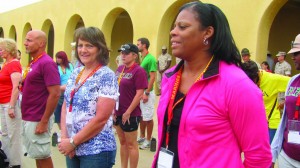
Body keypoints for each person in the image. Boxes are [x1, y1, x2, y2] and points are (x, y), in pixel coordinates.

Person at [152, 2, 272, 167]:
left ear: (207, 33)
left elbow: (259, 157)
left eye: (182, 27)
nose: (173, 32)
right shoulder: (170, 77)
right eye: (174, 27)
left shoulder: (237, 85)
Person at [58, 27, 118, 168]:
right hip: (73, 146)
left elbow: (101, 118)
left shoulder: (106, 75)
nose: (83, 50)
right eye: (80, 45)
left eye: (89, 46)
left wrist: (73, 142)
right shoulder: (77, 72)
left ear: (100, 48)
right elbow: (66, 104)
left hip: (96, 150)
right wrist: (65, 138)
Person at [21, 30, 60, 168]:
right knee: (37, 155)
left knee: (43, 156)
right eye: (26, 40)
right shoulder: (34, 62)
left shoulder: (47, 63)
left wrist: (43, 121)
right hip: (29, 116)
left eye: (29, 40)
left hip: (38, 117)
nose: (25, 43)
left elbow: (55, 93)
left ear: (41, 43)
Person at [114, 43, 148, 168]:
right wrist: (113, 109)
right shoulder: (119, 69)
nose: (123, 55)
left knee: (131, 144)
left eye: (126, 53)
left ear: (134, 55)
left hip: (130, 114)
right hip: (118, 112)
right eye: (122, 53)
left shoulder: (139, 71)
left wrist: (128, 111)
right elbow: (114, 90)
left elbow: (139, 93)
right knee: (122, 143)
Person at [242, 60, 290, 143]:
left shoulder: (272, 79)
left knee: (269, 153)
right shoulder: (244, 81)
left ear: (257, 75)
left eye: (251, 81)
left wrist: (288, 101)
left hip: (271, 125)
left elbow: (295, 84)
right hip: (256, 123)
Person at [271, 34, 300, 167]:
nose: (293, 57)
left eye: (297, 53)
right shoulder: (293, 81)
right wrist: (274, 153)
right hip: (287, 157)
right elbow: (284, 121)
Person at [0, 38, 22, 168]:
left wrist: (11, 106)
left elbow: (16, 87)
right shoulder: (6, 64)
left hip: (9, 103)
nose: (0, 51)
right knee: (5, 133)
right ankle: (7, 159)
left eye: (2, 49)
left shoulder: (14, 64)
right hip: (3, 102)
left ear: (8, 50)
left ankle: (16, 163)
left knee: (13, 134)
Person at [136, 37, 157, 150]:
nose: (137, 46)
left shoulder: (151, 59)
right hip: (141, 91)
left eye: (138, 44)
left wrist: (147, 93)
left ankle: (148, 140)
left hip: (147, 92)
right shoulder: (142, 58)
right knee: (142, 116)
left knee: (148, 117)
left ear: (144, 45)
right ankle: (142, 136)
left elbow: (153, 76)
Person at [54, 51, 74, 131]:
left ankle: (68, 130)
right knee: (58, 113)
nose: (58, 59)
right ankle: (62, 130)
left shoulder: (70, 66)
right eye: (57, 58)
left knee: (68, 112)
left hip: (70, 91)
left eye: (60, 58)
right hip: (60, 91)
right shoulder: (55, 67)